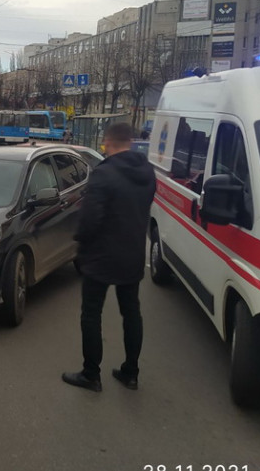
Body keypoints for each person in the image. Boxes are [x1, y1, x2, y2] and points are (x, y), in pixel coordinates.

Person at [62, 122, 156, 392]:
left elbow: (91, 220)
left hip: (101, 257)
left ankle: (91, 374)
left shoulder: (104, 174)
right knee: (131, 313)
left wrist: (79, 242)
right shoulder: (146, 171)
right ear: (130, 141)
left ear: (107, 142)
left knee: (91, 314)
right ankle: (131, 372)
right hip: (133, 254)